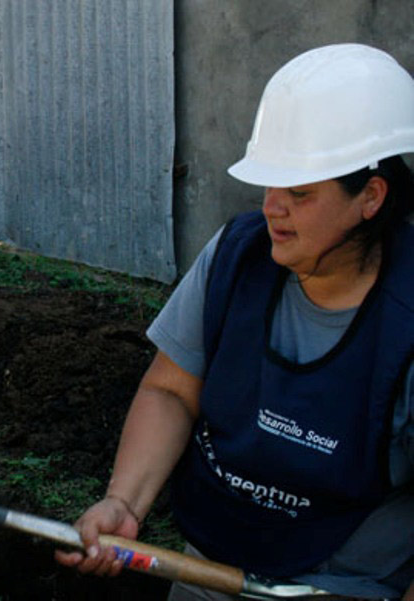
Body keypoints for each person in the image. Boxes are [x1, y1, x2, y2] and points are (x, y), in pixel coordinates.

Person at [55, 43, 414, 600]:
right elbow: (172, 389)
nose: (272, 206)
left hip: (342, 582)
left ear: (370, 196)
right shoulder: (238, 256)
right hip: (214, 562)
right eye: (270, 182)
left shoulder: (406, 314)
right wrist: (124, 502)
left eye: (299, 192)